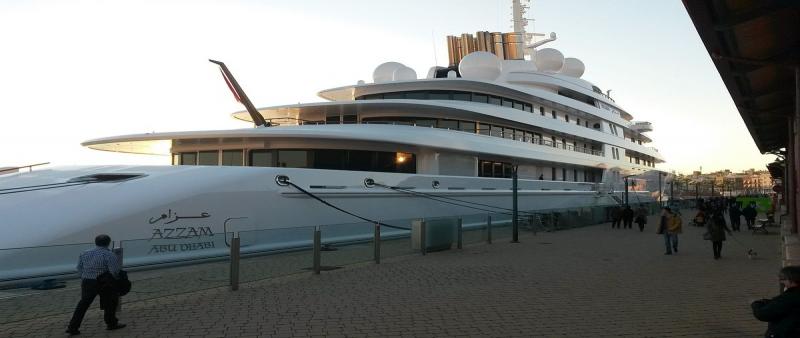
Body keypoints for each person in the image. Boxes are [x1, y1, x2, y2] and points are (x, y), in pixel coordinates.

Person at [66, 234, 126, 335]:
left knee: (83, 304)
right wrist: (118, 281)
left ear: (95, 242)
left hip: (87, 281)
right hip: (104, 282)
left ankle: (73, 327)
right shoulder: (109, 254)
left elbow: (79, 268)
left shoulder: (84, 253)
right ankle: (111, 324)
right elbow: (114, 271)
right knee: (110, 302)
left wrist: (84, 277)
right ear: (108, 243)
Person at [751, 266, 800, 338]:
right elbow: (786, 306)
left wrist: (755, 304)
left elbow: (763, 314)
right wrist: (769, 302)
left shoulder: (788, 297)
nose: (781, 281)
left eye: (783, 279)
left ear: (792, 280)